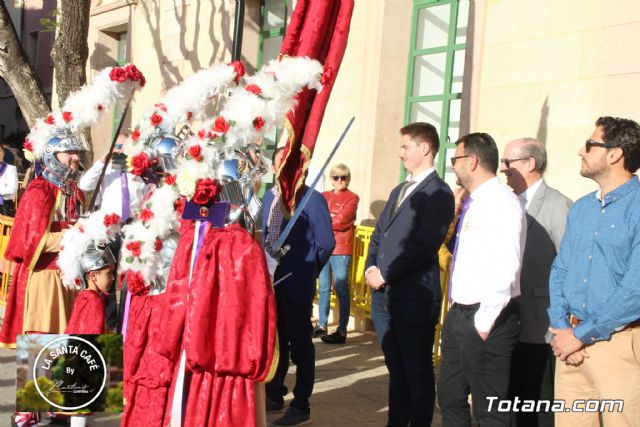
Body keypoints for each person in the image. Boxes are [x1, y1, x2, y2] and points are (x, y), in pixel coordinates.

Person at [548, 116, 640, 426]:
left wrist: (580, 335)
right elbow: (561, 268)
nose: (580, 151)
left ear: (615, 154)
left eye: (590, 144)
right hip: (570, 346)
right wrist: (561, 328)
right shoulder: (582, 208)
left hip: (620, 345)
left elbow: (635, 290)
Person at [366, 122, 454, 427]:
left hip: (415, 296)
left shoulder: (439, 193)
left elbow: (424, 245)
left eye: (405, 146)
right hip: (384, 295)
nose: (399, 153)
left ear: (425, 148)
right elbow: (379, 234)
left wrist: (385, 273)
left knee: (416, 368)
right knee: (396, 366)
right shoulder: (399, 188)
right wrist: (370, 267)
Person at [438, 132, 526, 426]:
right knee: (450, 397)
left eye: (456, 160)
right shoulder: (474, 201)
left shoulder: (501, 202)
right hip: (460, 313)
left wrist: (484, 322)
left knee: (490, 410)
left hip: (488, 316)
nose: (453, 167)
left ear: (472, 161)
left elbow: (506, 265)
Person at [500, 137, 572, 427]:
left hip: (540, 323)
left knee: (538, 401)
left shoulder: (559, 206)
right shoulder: (506, 204)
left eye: (508, 162)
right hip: (507, 321)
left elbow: (568, 266)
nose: (503, 169)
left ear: (530, 163)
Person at [263, 146, 335, 426]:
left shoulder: (311, 199)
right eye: (280, 164)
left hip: (296, 282)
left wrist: (307, 268)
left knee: (300, 344)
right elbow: (266, 235)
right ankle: (275, 391)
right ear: (273, 169)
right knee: (276, 340)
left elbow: (326, 242)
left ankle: (301, 402)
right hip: (271, 281)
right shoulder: (269, 198)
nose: (285, 170)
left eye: (290, 165)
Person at [0, 133, 85, 348]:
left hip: (73, 276)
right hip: (46, 277)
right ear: (53, 155)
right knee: (46, 347)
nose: (75, 157)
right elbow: (34, 241)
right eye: (69, 153)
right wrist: (76, 236)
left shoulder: (76, 192)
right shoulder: (40, 190)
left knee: (74, 350)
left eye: (77, 152)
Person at [78, 132, 150, 332]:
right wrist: (102, 161)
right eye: (117, 147)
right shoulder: (106, 169)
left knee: (129, 277)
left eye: (124, 147)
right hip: (108, 229)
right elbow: (84, 185)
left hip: (131, 228)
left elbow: (147, 196)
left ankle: (125, 321)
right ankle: (107, 322)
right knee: (105, 275)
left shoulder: (138, 171)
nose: (120, 151)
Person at [315, 163, 359, 343]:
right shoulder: (323, 196)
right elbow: (316, 215)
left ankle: (342, 330)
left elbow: (342, 221)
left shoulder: (353, 197)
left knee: (340, 288)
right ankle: (322, 325)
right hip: (324, 246)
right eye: (336, 177)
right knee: (323, 287)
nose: (340, 181)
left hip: (341, 248)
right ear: (331, 179)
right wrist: (329, 217)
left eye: (344, 177)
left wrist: (324, 219)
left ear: (348, 179)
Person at [64, 245, 116, 335]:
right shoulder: (94, 300)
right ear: (93, 276)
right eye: (109, 273)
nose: (113, 278)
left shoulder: (84, 295)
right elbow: (93, 332)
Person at [0, 145, 18, 216]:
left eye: (0, 150)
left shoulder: (11, 169)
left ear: (3, 152)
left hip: (5, 205)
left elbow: (13, 188)